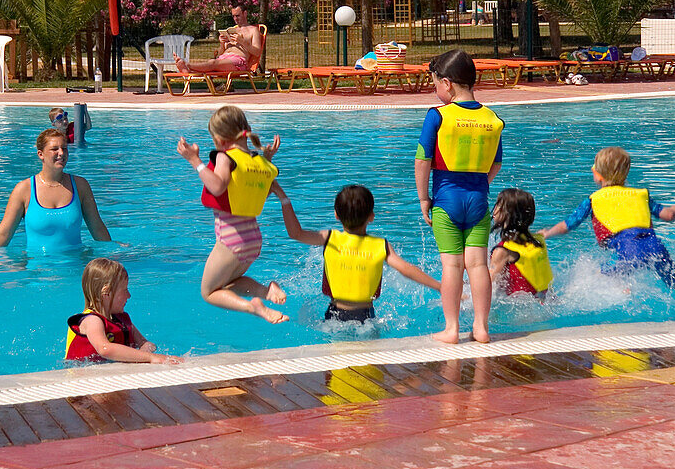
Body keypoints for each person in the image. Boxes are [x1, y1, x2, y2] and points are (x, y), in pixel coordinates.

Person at [415, 49, 503, 344]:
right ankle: (481, 327)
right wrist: (480, 184)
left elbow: (423, 158)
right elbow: (496, 163)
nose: (434, 89)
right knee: (477, 264)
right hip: (479, 200)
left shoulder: (438, 116)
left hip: (446, 200)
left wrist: (424, 198)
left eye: (435, 83)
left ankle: (452, 329)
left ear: (448, 84)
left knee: (452, 265)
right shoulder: (492, 118)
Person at [542, 147, 675, 288]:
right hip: (654, 245)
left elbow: (568, 225)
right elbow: (667, 215)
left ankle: (623, 290)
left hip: (627, 248)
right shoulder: (640, 195)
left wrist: (548, 233)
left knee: (597, 278)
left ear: (598, 175)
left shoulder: (593, 200)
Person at [176, 105, 288, 323]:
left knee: (209, 292)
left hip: (231, 239)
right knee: (230, 284)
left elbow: (217, 187)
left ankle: (255, 306)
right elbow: (260, 192)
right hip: (253, 240)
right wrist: (268, 158)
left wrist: (194, 161)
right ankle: (266, 290)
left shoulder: (225, 158)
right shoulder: (260, 162)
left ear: (219, 138)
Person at [272, 183, 440, 323]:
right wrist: (440, 287)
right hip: (366, 317)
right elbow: (406, 269)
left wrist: (283, 198)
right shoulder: (380, 245)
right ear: (372, 216)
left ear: (336, 215)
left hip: (334, 316)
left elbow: (296, 233)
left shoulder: (329, 238)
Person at [0, 129, 115, 252]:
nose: (61, 153)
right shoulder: (24, 190)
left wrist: (113, 250)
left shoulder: (80, 186)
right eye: (55, 149)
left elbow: (97, 228)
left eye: (64, 148)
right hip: (36, 270)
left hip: (75, 268)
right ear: (40, 154)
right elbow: (4, 233)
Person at [65, 258, 180, 363]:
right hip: (83, 379)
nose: (129, 295)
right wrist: (150, 358)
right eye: (124, 290)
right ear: (106, 292)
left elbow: (147, 343)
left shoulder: (120, 320)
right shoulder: (92, 320)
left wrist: (143, 354)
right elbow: (104, 349)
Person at [488, 189, 553, 300]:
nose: (494, 210)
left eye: (498, 205)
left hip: (520, 310)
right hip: (546, 302)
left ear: (507, 214)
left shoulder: (503, 251)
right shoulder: (538, 241)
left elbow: (487, 288)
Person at [173, 4, 261, 73]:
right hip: (224, 58)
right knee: (213, 64)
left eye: (237, 16)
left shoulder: (253, 30)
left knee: (212, 63)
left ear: (245, 13)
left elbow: (257, 52)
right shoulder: (232, 30)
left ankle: (187, 65)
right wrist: (222, 44)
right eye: (233, 16)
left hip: (239, 62)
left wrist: (242, 41)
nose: (235, 19)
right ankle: (188, 70)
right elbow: (220, 53)